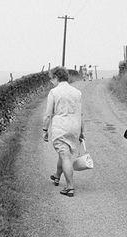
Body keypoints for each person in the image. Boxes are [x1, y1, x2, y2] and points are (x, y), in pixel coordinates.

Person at [43, 67, 84, 197]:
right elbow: (80, 114)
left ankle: (70, 187)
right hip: (75, 126)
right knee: (64, 153)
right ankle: (56, 176)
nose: (51, 81)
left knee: (65, 155)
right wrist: (82, 131)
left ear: (56, 77)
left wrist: (45, 130)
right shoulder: (77, 92)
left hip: (61, 127)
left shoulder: (54, 92)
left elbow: (48, 114)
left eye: (52, 79)